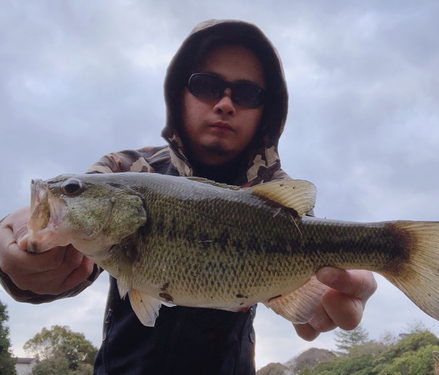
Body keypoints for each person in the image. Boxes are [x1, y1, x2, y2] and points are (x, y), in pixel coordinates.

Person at [0, 20, 377, 374]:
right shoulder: (128, 170)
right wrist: (18, 254)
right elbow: (70, 266)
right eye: (207, 85)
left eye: (247, 93)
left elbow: (315, 274)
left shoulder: (279, 201)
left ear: (267, 111)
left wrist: (330, 292)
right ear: (179, 93)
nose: (225, 104)